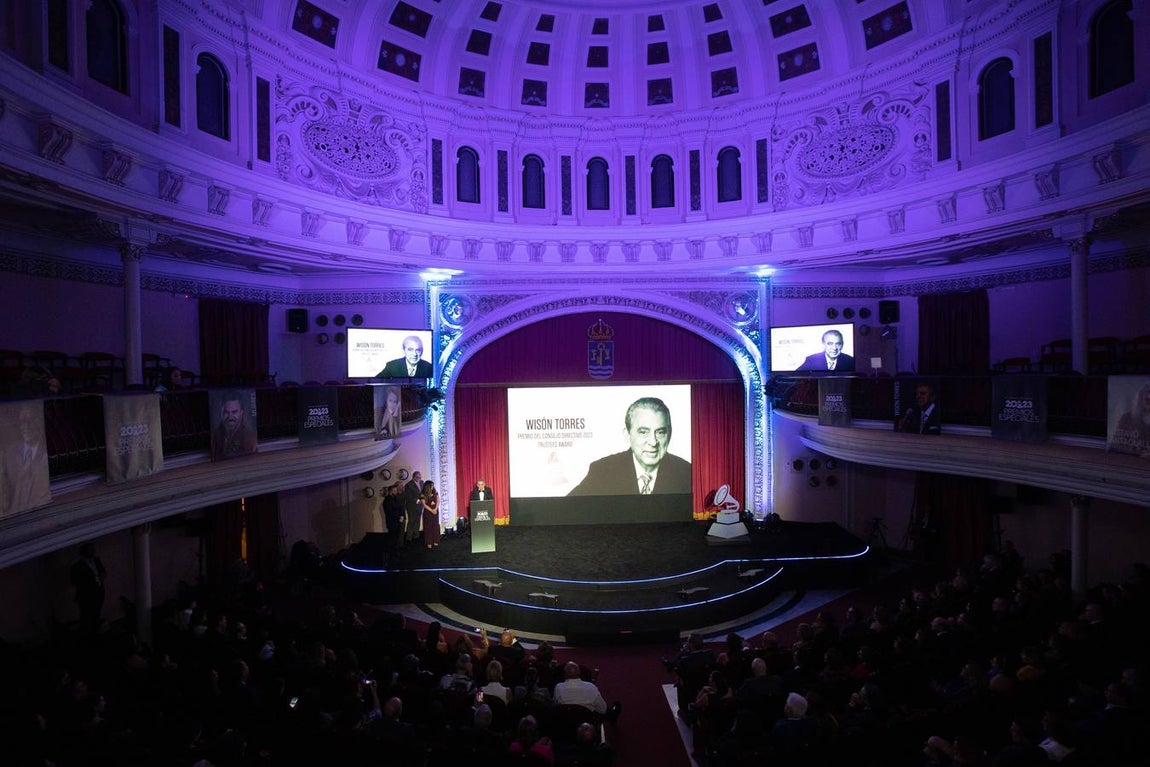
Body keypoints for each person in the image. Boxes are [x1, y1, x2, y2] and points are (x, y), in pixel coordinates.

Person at [567, 396, 691, 496]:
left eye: (660, 432)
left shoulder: (687, 474)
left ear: (670, 434)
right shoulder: (602, 471)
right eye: (643, 432)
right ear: (627, 435)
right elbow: (566, 510)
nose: (653, 442)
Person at [1, 400, 51, 516]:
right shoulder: (10, 453)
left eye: (30, 420)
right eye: (23, 421)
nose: (26, 426)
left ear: (39, 421)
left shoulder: (48, 453)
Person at [70, 543, 106, 637]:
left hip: (99, 591)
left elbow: (103, 571)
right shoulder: (77, 566)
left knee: (97, 613)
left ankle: (96, 632)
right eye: (90, 550)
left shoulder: (97, 560)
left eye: (92, 549)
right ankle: (90, 634)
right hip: (87, 595)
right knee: (87, 616)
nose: (92, 551)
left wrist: (102, 575)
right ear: (84, 551)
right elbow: (75, 581)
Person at [211, 391, 258, 459]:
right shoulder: (215, 437)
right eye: (226, 412)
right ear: (221, 413)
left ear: (241, 413)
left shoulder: (250, 439)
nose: (230, 417)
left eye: (234, 412)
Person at [1108, 380, 1150, 457]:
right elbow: (1116, 445)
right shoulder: (1127, 418)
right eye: (1147, 400)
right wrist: (1137, 453)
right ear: (1140, 400)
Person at [382, 481, 406, 559]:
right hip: (392, 522)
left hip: (396, 521)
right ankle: (391, 553)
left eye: (396, 490)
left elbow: (399, 507)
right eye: (394, 491)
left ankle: (395, 552)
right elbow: (390, 512)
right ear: (390, 491)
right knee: (392, 538)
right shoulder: (387, 500)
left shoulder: (394, 498)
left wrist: (401, 516)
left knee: (395, 537)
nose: (396, 492)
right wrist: (399, 517)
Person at [403, 471, 423, 548]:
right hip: (411, 506)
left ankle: (416, 536)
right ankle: (409, 538)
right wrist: (417, 501)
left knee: (417, 521)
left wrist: (423, 500)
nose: (419, 478)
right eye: (417, 477)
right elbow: (408, 497)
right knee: (411, 521)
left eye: (420, 477)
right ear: (413, 477)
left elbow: (423, 492)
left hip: (420, 506)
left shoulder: (422, 482)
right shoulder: (408, 485)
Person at [420, 479, 441, 549]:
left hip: (435, 511)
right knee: (428, 527)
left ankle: (435, 540)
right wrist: (432, 510)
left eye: (433, 485)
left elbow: (438, 500)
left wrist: (435, 509)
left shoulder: (435, 492)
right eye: (431, 485)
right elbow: (424, 504)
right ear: (428, 486)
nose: (432, 487)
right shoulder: (423, 494)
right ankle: (429, 542)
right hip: (428, 512)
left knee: (435, 526)